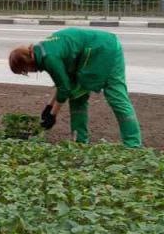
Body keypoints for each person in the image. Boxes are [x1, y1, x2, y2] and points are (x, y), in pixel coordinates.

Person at [8, 27, 141, 147]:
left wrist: (52, 115)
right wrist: (48, 107)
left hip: (104, 50)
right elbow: (63, 81)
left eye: (24, 71)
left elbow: (64, 88)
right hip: (92, 53)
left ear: (26, 63)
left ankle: (133, 144)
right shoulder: (43, 50)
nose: (28, 73)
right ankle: (80, 141)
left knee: (116, 96)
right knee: (77, 95)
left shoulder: (49, 58)